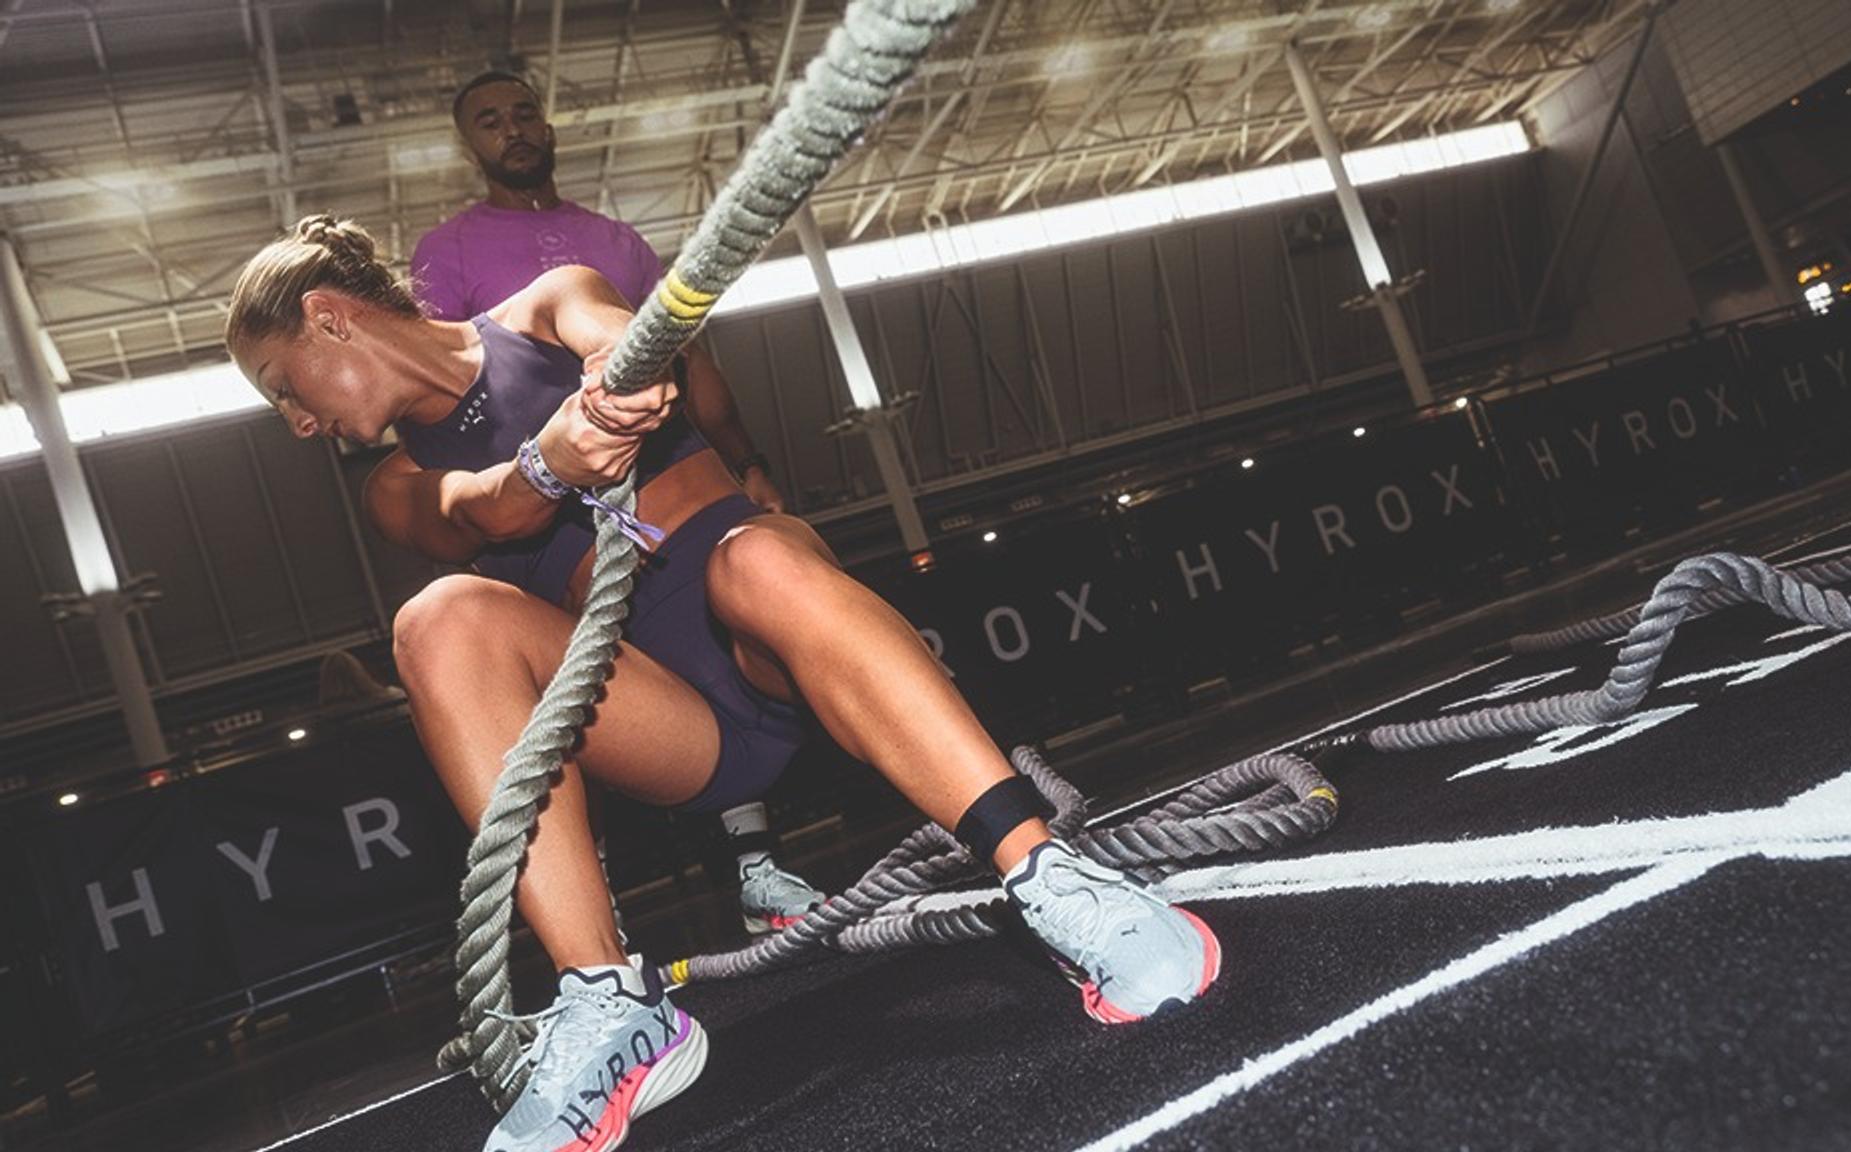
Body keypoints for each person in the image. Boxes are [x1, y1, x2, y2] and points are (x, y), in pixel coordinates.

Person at [225, 216, 1221, 1152]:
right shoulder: (393, 486)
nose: (298, 422)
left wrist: (619, 379)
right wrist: (551, 459)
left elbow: (627, 340)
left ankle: (1049, 877)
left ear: (328, 316)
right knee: (437, 620)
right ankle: (612, 1007)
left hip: (770, 635)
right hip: (670, 718)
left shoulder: (547, 303)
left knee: (756, 557)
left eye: (282, 388)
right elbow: (477, 513)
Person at [412, 69, 820, 937]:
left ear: (549, 124)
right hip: (539, 513)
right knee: (562, 706)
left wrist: (747, 461)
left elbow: (690, 363)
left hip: (653, 481)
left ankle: (758, 870)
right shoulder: (445, 253)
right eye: (490, 121)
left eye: (524, 113)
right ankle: (590, 921)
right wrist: (492, 503)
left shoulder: (614, 242)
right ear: (469, 145)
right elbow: (435, 398)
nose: (513, 130)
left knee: (707, 647)